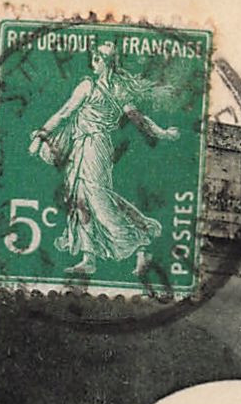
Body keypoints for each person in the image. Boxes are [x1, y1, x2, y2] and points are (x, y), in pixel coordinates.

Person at [28, 42, 182, 276]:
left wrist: (163, 134)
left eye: (97, 59)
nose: (93, 63)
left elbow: (138, 120)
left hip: (96, 147)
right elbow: (65, 112)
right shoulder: (97, 86)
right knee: (81, 200)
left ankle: (140, 244)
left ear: (106, 62)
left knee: (99, 199)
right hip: (82, 147)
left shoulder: (103, 88)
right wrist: (42, 136)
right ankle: (89, 256)